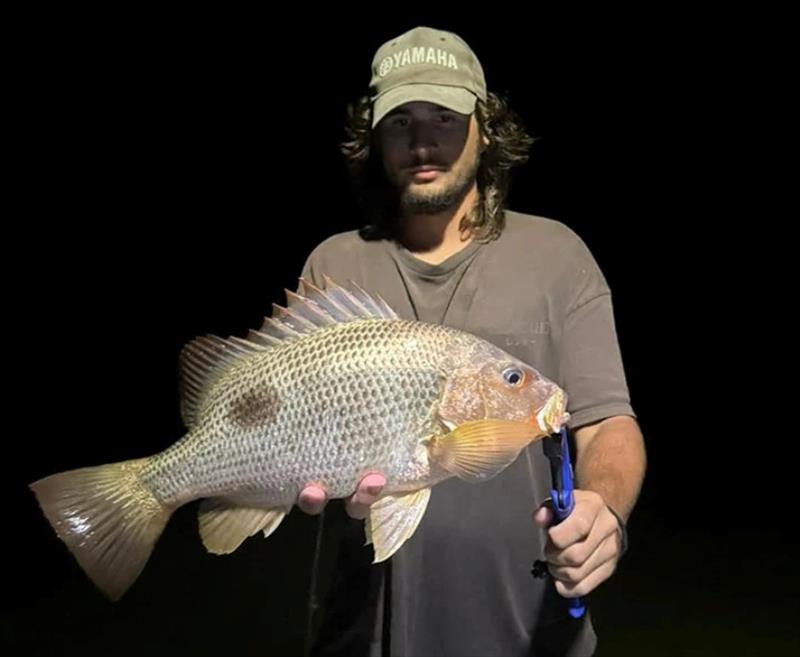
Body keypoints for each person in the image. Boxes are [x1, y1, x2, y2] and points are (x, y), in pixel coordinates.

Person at [293, 25, 646, 657]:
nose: (422, 142)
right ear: (373, 137)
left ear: (486, 128)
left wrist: (606, 510)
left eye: (445, 118)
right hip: (363, 630)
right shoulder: (335, 264)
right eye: (399, 121)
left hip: (527, 628)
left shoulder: (557, 256)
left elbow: (606, 421)